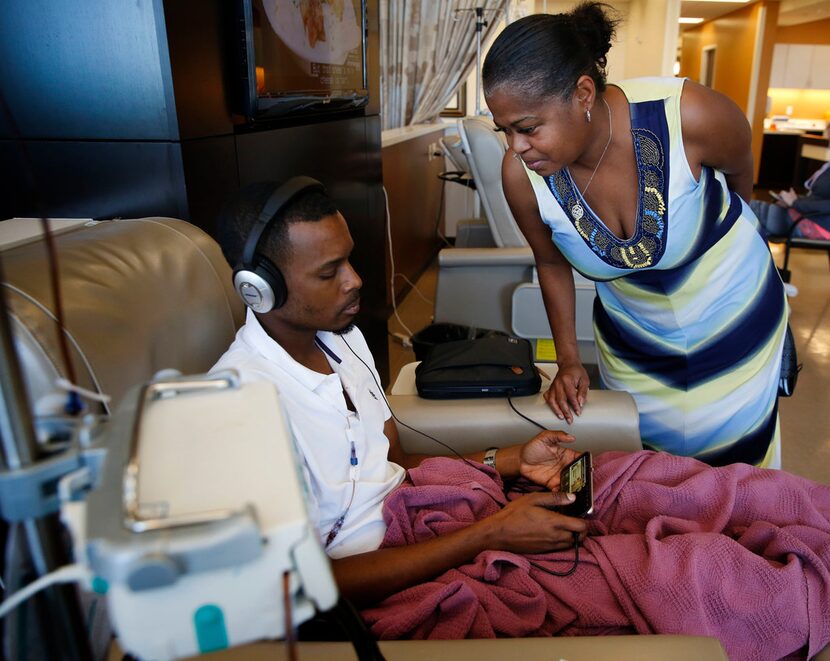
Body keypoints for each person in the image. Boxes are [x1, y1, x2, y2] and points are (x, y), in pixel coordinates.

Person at [209, 180, 830, 661]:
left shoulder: (337, 338)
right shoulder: (241, 411)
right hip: (398, 572)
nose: (355, 281)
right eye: (328, 272)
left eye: (349, 260)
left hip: (444, 506)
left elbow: (389, 464)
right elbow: (300, 590)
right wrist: (492, 535)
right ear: (259, 288)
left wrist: (503, 463)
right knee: (684, 572)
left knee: (669, 482)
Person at [481, 3, 788, 468]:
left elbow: (742, 174)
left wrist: (723, 242)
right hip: (635, 337)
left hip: (734, 312)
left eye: (527, 129)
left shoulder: (687, 116)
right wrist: (567, 360)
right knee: (652, 469)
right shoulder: (522, 177)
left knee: (739, 464)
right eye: (504, 131)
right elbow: (550, 262)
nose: (515, 147)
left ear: (583, 93)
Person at [750, 160, 830, 241]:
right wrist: (793, 201)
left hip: (817, 225)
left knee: (747, 210)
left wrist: (795, 203)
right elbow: (818, 198)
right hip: (809, 217)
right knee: (749, 217)